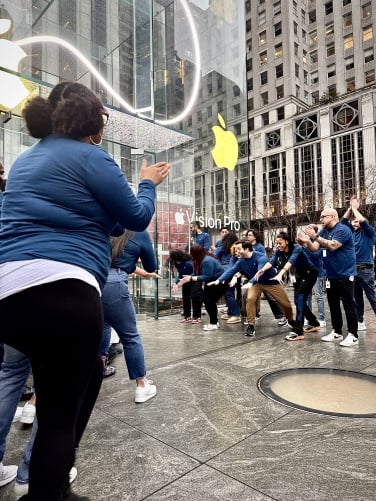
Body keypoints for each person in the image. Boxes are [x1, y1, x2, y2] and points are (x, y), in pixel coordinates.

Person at [0, 81, 170, 500]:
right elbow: (135, 216)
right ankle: (44, 490)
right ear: (93, 122)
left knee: (84, 370)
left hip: (9, 295)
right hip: (63, 291)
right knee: (59, 415)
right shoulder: (94, 157)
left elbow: (107, 223)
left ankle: (47, 481)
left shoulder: (25, 160)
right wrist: (146, 182)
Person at [99, 230, 159, 402]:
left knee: (103, 325)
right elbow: (151, 265)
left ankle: (99, 368)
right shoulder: (138, 232)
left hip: (92, 278)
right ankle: (142, 385)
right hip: (114, 283)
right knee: (130, 336)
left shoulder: (107, 223)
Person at [210, 240, 298, 337]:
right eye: (236, 249)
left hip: (271, 282)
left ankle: (290, 320)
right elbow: (231, 270)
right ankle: (251, 325)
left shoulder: (261, 257)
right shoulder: (241, 261)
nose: (236, 252)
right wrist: (218, 280)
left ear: (247, 249)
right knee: (250, 299)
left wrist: (251, 282)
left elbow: (260, 272)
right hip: (256, 283)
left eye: (239, 249)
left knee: (286, 304)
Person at [298, 208, 358, 347]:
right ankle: (337, 331)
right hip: (330, 275)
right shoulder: (324, 231)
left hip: (346, 274)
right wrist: (307, 241)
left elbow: (333, 245)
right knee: (333, 304)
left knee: (349, 305)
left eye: (323, 217)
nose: (321, 219)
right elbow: (314, 248)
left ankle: (353, 335)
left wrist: (314, 236)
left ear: (333, 217)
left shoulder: (342, 229)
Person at [260, 232, 320, 341]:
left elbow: (290, 262)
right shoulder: (279, 251)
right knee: (298, 301)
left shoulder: (297, 248)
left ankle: (298, 331)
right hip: (298, 275)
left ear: (287, 241)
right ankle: (314, 323)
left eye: (280, 243)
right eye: (277, 243)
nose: (278, 245)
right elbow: (272, 262)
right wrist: (262, 270)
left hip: (310, 273)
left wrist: (279, 274)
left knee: (300, 299)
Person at [342, 197, 376, 331]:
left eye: (356, 221)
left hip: (366, 270)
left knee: (372, 297)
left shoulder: (369, 233)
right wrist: (350, 209)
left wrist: (355, 209)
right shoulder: (352, 234)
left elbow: (362, 221)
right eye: (354, 221)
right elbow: (343, 222)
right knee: (357, 298)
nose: (354, 223)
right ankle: (360, 321)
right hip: (353, 270)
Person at [179, 244, 225, 331]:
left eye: (191, 252)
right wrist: (187, 278)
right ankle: (214, 321)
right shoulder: (199, 260)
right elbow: (198, 274)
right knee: (207, 301)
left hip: (219, 281)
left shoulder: (206, 261)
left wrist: (191, 278)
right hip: (211, 282)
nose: (190, 254)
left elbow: (207, 276)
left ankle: (214, 323)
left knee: (209, 302)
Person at [246, 229, 287, 326]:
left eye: (249, 235)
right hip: (256, 276)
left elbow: (264, 261)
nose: (247, 236)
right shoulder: (248, 247)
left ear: (255, 236)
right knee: (250, 297)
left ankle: (283, 316)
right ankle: (252, 316)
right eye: (247, 235)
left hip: (264, 275)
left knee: (272, 297)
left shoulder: (259, 247)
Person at [213, 232, 241, 323]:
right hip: (234, 273)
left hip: (226, 273)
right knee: (229, 293)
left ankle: (236, 314)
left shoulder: (223, 249)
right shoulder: (237, 249)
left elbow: (214, 255)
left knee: (229, 294)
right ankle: (230, 312)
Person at [304, 225, 326, 328]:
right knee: (307, 297)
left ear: (314, 231)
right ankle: (309, 318)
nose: (306, 231)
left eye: (309, 229)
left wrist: (306, 247)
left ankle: (322, 318)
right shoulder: (304, 242)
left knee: (319, 296)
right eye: (306, 229)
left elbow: (316, 255)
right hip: (307, 272)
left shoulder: (319, 242)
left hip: (317, 272)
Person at [168, 249, 199, 323]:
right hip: (185, 280)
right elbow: (180, 274)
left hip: (194, 280)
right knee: (185, 298)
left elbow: (195, 272)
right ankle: (187, 315)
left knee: (195, 297)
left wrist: (188, 277)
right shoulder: (176, 264)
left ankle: (196, 316)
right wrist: (176, 283)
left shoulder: (188, 263)